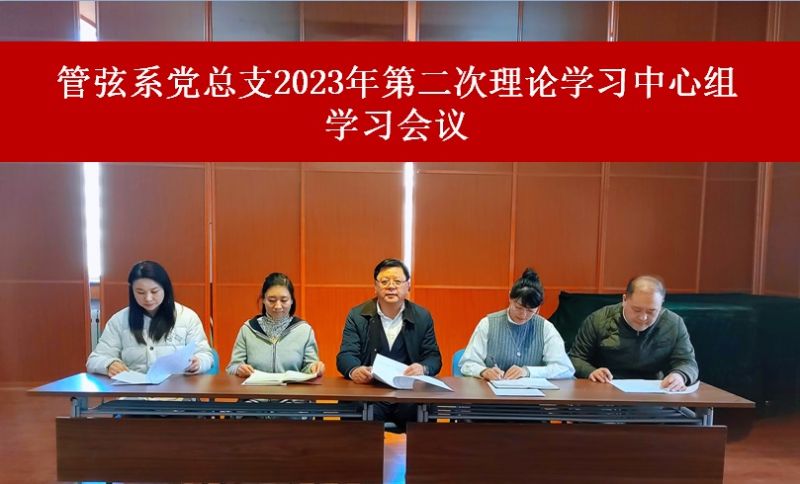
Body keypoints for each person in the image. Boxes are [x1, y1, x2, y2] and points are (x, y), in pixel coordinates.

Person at [337, 258, 442, 432]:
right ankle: (361, 451)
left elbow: (433, 357)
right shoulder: (357, 315)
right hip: (370, 392)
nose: (391, 286)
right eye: (384, 281)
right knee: (354, 412)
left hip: (408, 394)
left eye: (397, 282)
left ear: (408, 285)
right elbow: (345, 355)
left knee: (425, 410)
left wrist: (423, 368)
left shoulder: (422, 316)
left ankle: (421, 452)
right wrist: (355, 370)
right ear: (375, 286)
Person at [568, 275, 699, 391]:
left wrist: (680, 375)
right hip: (604, 388)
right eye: (636, 310)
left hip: (653, 392)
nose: (643, 317)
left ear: (661, 304)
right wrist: (591, 372)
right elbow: (575, 358)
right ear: (624, 299)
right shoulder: (599, 320)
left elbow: (687, 362)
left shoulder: (673, 324)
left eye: (651, 311)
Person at [86, 260, 214, 376]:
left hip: (178, 391)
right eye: (140, 292)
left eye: (154, 291)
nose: (148, 298)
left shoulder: (187, 317)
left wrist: (199, 362)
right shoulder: (119, 320)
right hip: (134, 391)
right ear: (132, 292)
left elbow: (205, 355)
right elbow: (95, 360)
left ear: (165, 289)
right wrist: (109, 364)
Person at [460, 268, 574, 380]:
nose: (523, 315)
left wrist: (528, 371)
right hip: (493, 389)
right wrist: (483, 371)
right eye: (519, 307)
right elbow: (467, 364)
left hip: (533, 391)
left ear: (538, 308)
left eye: (530, 311)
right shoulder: (488, 324)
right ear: (510, 297)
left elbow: (565, 369)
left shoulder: (546, 328)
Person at [227, 272, 324, 377]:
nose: (278, 306)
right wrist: (238, 369)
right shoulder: (248, 329)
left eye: (284, 300)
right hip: (256, 387)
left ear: (292, 301)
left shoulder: (304, 331)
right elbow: (232, 368)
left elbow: (309, 366)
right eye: (272, 300)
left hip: (292, 387)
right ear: (263, 300)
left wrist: (314, 368)